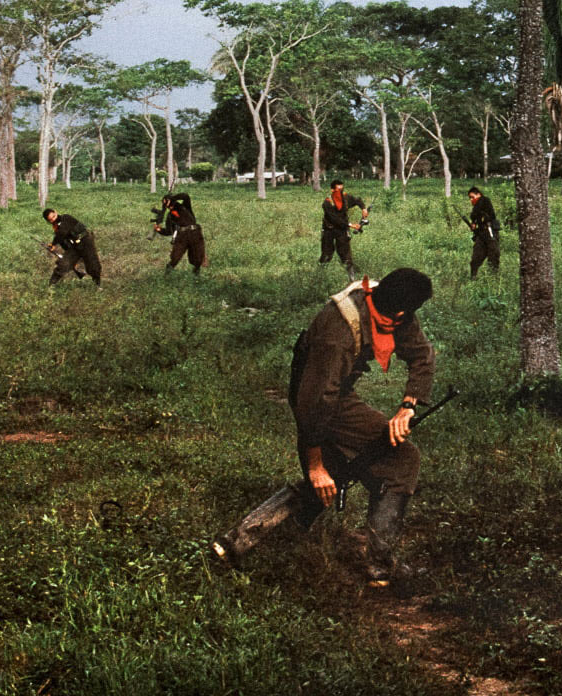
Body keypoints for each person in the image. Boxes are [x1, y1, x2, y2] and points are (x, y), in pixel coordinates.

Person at [214, 268, 438, 588]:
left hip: (337, 392)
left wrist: (408, 406)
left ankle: (236, 544)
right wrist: (315, 465)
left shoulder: (393, 306)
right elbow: (314, 404)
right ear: (395, 314)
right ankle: (376, 564)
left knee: (360, 467)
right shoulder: (338, 333)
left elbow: (422, 356)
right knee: (365, 467)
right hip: (313, 391)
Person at [319, 180, 367, 277]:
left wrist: (363, 208)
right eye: (338, 190)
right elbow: (335, 219)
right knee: (327, 254)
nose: (341, 192)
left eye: (342, 189)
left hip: (342, 231)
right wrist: (350, 225)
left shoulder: (345, 197)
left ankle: (351, 278)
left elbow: (357, 200)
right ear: (332, 190)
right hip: (329, 230)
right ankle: (320, 276)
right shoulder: (327, 203)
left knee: (346, 255)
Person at [43, 209, 102, 287]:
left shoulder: (66, 218)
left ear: (56, 212)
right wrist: (71, 259)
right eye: (51, 219)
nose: (54, 219)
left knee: (93, 265)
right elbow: (63, 243)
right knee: (63, 264)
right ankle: (50, 286)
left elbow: (62, 232)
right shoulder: (56, 228)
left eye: (54, 216)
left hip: (86, 241)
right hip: (74, 246)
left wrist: (53, 244)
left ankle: (97, 285)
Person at [153, 191, 207, 275]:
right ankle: (167, 273)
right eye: (165, 204)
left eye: (167, 202)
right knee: (175, 257)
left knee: (197, 258)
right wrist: (159, 230)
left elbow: (185, 196)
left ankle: (196, 273)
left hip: (195, 233)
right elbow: (169, 231)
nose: (167, 205)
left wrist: (172, 198)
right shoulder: (170, 216)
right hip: (182, 236)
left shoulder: (185, 206)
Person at [466, 186, 501, 277]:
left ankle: (493, 279)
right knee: (475, 259)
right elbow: (476, 216)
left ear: (479, 194)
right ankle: (473, 278)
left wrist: (473, 219)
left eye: (472, 197)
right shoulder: (477, 207)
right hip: (481, 235)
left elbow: (475, 213)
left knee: (493, 256)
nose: (471, 200)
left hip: (490, 232)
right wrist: (474, 224)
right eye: (470, 198)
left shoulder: (484, 200)